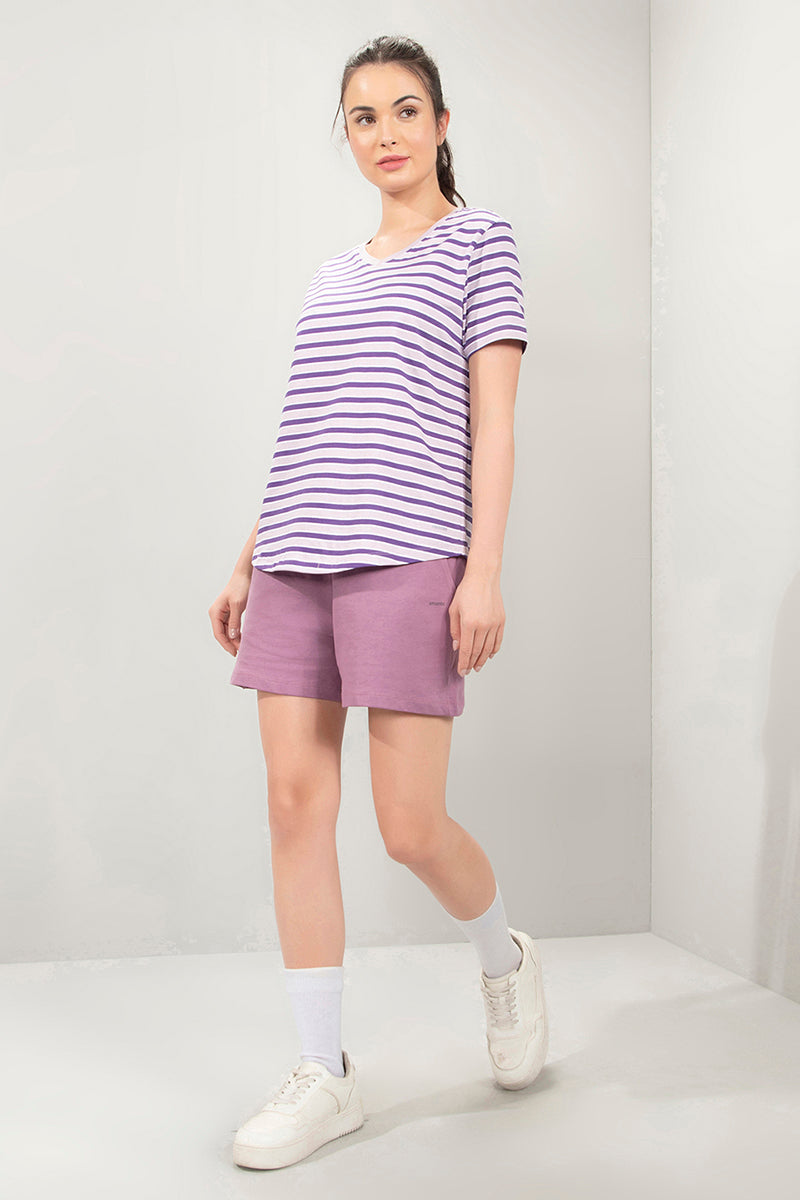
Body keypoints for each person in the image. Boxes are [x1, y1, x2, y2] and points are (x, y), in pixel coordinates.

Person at [208, 33, 548, 1172]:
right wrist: (249, 558)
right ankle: (326, 1074)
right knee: (294, 807)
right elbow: (309, 426)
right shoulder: (333, 273)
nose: (386, 133)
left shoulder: (481, 244)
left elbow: (493, 423)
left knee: (408, 828)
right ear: (346, 136)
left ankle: (504, 961)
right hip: (296, 557)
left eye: (406, 110)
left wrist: (481, 570)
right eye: (364, 117)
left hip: (409, 555)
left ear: (441, 125)